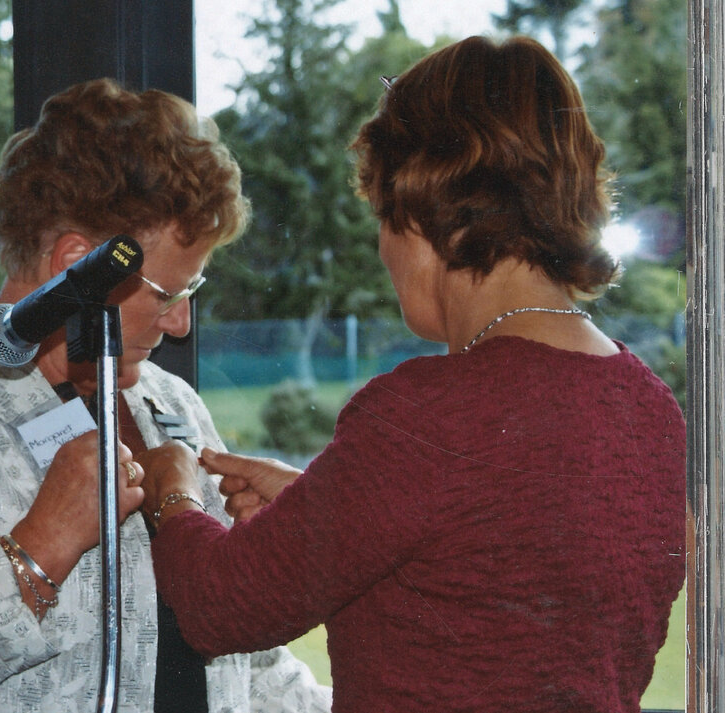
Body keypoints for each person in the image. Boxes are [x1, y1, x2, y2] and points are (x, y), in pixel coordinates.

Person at [137, 36, 686, 713]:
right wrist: (329, 499)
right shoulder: (651, 409)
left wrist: (173, 489)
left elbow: (219, 608)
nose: (383, 248)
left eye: (381, 215)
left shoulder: (425, 415)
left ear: (423, 209)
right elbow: (499, 573)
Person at [0, 78, 331, 713]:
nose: (181, 326)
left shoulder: (170, 405)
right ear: (79, 266)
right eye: (169, 295)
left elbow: (246, 673)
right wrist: (42, 544)